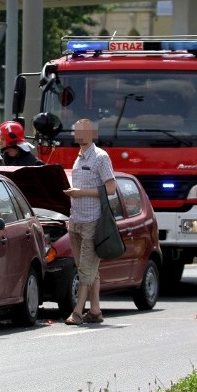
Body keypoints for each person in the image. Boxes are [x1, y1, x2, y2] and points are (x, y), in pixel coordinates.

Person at [62, 118, 117, 326]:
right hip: (75, 220)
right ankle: (95, 310)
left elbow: (111, 189)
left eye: (84, 130)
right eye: (77, 130)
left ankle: (77, 312)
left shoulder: (101, 157)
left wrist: (80, 193)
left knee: (86, 268)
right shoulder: (78, 158)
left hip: (93, 221)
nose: (79, 134)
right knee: (86, 268)